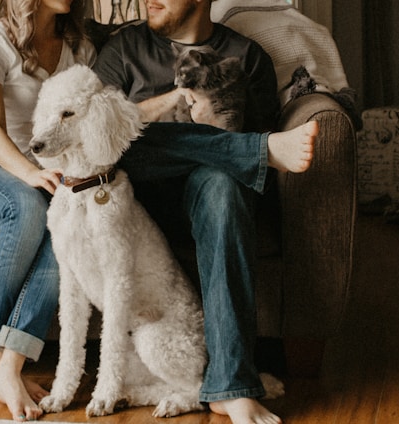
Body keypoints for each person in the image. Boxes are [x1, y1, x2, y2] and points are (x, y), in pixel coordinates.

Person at [92, 0, 317, 423]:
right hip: (138, 195)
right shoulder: (124, 49)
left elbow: (247, 172)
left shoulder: (246, 56)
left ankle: (229, 386)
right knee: (118, 137)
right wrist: (172, 101)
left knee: (224, 185)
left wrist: (220, 133)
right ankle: (257, 152)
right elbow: (97, 134)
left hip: (208, 193)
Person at [0, 0, 96, 421]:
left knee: (67, 227)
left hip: (43, 171)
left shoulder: (79, 48)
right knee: (28, 207)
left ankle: (10, 365)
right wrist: (28, 172)